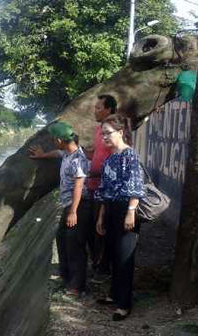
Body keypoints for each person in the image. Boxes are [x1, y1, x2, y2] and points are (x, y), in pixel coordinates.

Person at [29, 122, 91, 298]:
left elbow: (79, 186)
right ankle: (66, 278)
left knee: (75, 245)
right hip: (69, 205)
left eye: (53, 140)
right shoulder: (67, 153)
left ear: (59, 139)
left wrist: (73, 212)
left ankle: (77, 287)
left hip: (79, 206)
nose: (53, 143)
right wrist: (43, 155)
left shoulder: (78, 159)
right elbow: (58, 153)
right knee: (62, 239)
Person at [95, 115, 145, 321]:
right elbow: (104, 190)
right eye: (102, 133)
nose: (105, 137)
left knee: (125, 257)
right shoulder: (110, 157)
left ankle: (124, 305)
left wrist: (131, 211)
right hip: (110, 209)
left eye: (108, 132)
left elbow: (135, 186)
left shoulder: (129, 155)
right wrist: (101, 216)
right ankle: (114, 295)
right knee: (114, 254)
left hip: (127, 209)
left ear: (121, 132)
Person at [86, 94, 116, 282]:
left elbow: (115, 159)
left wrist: (98, 174)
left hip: (106, 187)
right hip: (93, 186)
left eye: (98, 107)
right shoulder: (98, 130)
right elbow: (95, 155)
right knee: (93, 226)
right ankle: (97, 262)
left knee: (102, 227)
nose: (95, 110)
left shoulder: (115, 130)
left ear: (109, 109)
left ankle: (104, 268)